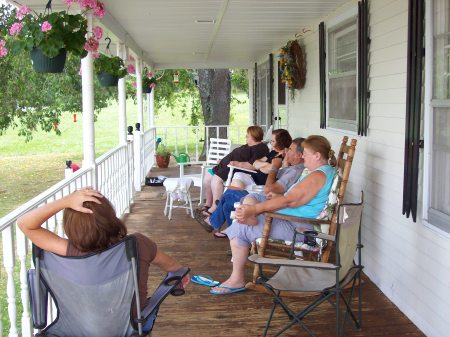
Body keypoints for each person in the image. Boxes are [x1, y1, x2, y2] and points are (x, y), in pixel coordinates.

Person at [17, 188, 190, 313]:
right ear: (110, 217)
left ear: (71, 227)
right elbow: (176, 269)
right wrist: (182, 277)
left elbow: (25, 224)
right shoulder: (138, 244)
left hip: (82, 329)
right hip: (130, 328)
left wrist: (65, 201)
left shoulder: (70, 251)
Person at [209, 135, 337, 295]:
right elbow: (296, 200)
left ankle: (237, 279)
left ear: (317, 155)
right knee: (251, 198)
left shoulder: (317, 176)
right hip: (295, 219)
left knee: (240, 227)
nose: (303, 156)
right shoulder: (324, 171)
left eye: (306, 153)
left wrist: (255, 210)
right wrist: (267, 203)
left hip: (302, 229)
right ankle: (249, 218)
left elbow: (288, 201)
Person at [198, 137, 306, 238]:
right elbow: (264, 171)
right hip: (262, 196)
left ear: (299, 155)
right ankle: (233, 234)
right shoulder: (292, 168)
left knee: (229, 194)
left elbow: (269, 189)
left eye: (290, 149)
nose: (287, 150)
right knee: (227, 205)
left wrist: (274, 168)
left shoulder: (294, 171)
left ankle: (215, 223)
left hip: (265, 201)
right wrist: (280, 164)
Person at [200, 126, 269, 215]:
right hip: (225, 165)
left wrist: (237, 164)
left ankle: (215, 207)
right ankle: (208, 204)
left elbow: (252, 164)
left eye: (247, 135)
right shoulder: (248, 145)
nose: (246, 137)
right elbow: (234, 154)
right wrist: (223, 160)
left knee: (215, 179)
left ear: (253, 136)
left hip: (235, 169)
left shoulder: (261, 148)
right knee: (207, 178)